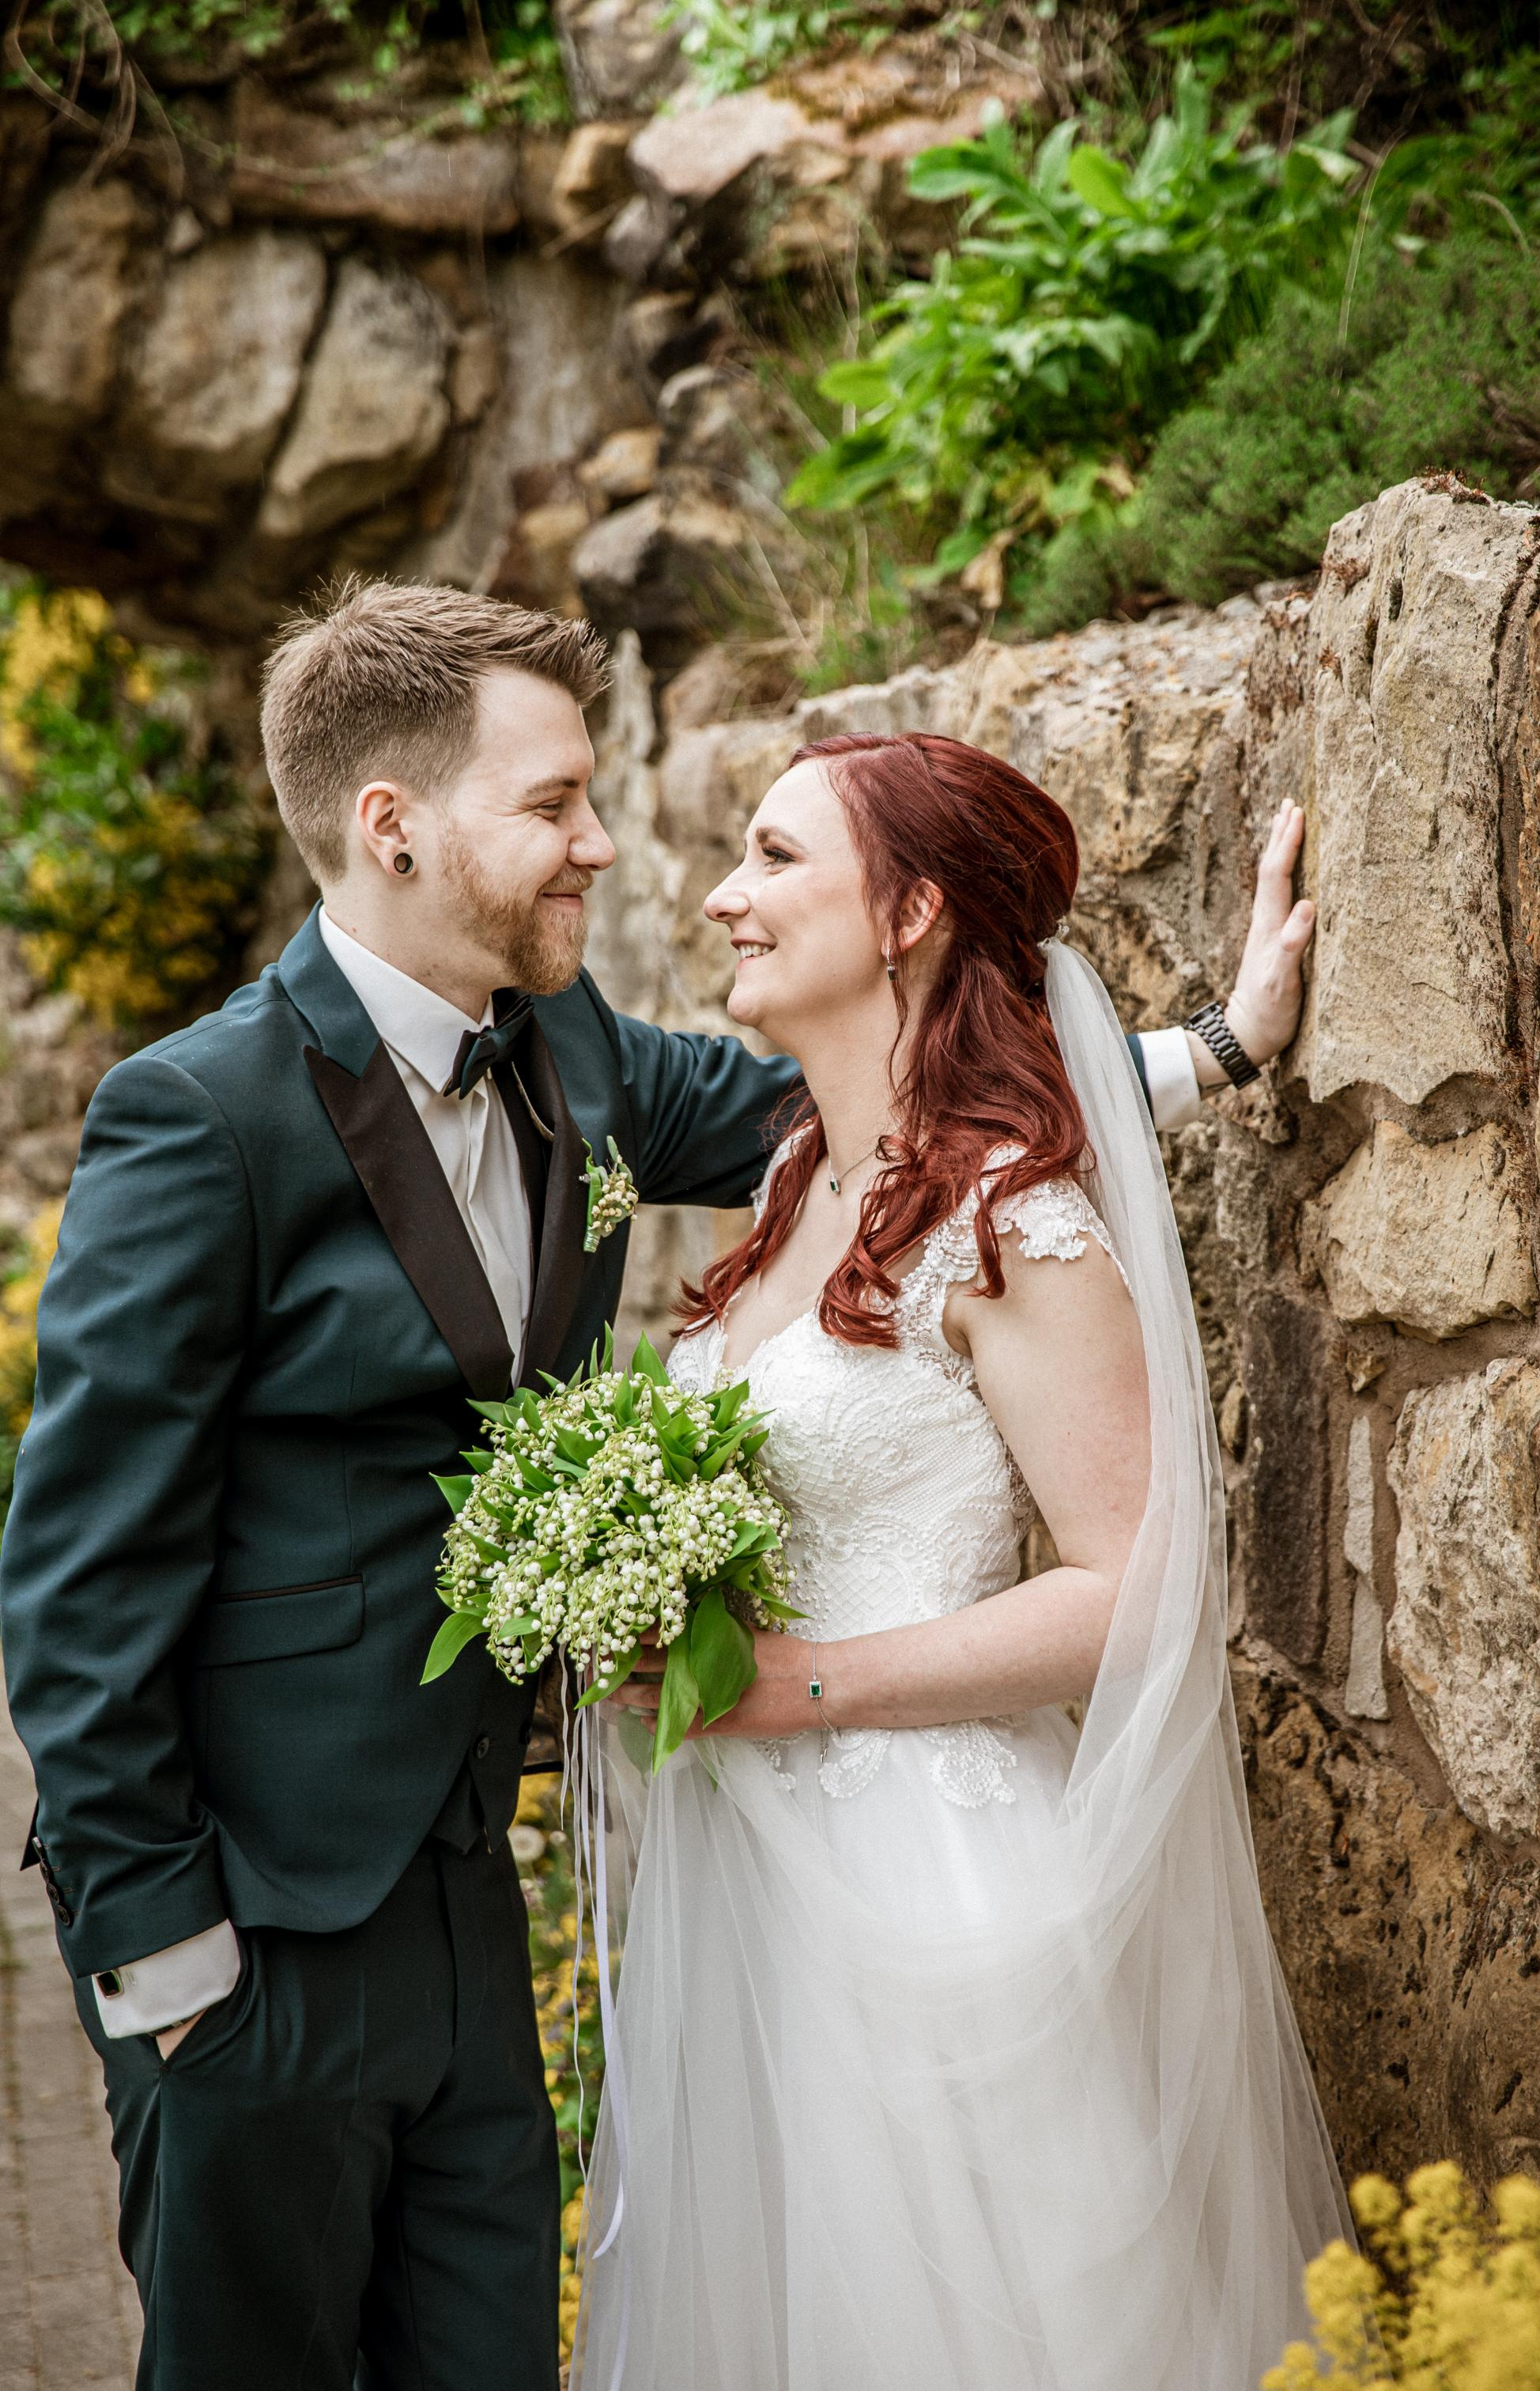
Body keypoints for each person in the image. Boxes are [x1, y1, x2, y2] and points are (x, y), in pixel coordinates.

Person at [1, 577, 1308, 2391]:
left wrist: (1213, 1050)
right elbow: (77, 1580)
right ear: (392, 827)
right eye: (552, 806)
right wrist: (163, 1968)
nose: (607, 849)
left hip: (481, 1907)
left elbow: (892, 1109)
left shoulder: (579, 1058)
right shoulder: (199, 1116)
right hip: (260, 1933)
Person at [580, 732, 1347, 2391]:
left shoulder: (1019, 1214)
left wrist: (807, 1687)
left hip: (933, 1886)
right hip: (749, 1884)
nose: (722, 895)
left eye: (777, 858)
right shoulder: (795, 1179)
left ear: (912, 908)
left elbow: (1141, 1587)